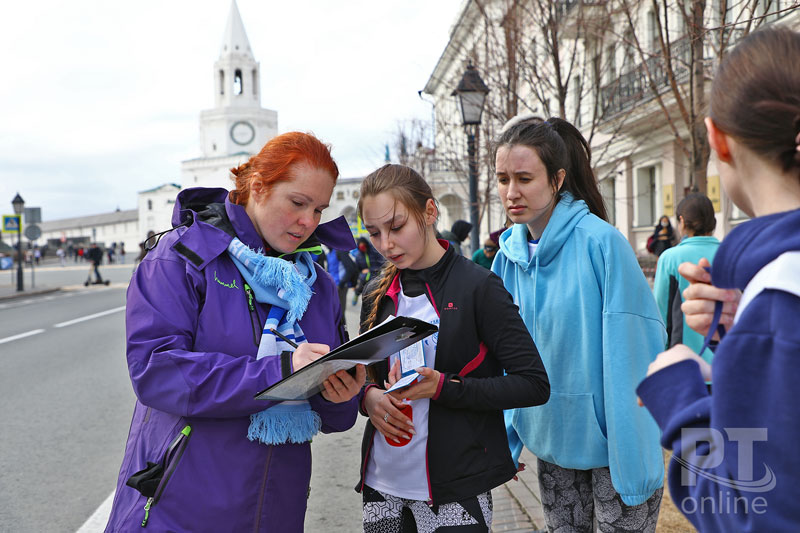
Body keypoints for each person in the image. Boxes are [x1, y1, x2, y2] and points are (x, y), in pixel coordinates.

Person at [104, 132, 367, 532]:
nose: (309, 221)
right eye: (298, 203)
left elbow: (331, 417)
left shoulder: (316, 283)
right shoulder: (180, 258)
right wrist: (280, 372)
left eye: (319, 209)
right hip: (180, 509)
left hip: (277, 509)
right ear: (258, 188)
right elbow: (156, 372)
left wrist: (342, 396)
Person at [637, 27, 800, 531]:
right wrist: (741, 338)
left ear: (717, 141)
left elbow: (746, 510)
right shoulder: (769, 303)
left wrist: (679, 396)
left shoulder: (779, 305)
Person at [491, 116, 666, 532]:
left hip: (616, 453)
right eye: (502, 179)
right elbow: (505, 360)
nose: (511, 192)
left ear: (557, 180)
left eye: (524, 178)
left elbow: (633, 354)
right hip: (551, 445)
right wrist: (505, 439)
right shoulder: (506, 259)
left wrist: (634, 461)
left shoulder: (601, 243)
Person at [355, 164, 550, 532]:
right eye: (374, 232)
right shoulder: (375, 293)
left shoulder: (479, 287)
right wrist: (368, 398)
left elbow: (534, 383)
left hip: (457, 488)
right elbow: (359, 376)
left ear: (430, 212)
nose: (385, 244)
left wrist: (445, 387)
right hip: (382, 487)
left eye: (396, 227)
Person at [652, 193, 720, 362]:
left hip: (684, 362)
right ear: (713, 222)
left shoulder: (670, 258)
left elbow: (661, 311)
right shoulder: (730, 253)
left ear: (681, 221)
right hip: (726, 363)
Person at [353, 236, 384, 303]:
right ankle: (356, 295)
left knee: (374, 294)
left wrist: (370, 270)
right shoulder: (358, 256)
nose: (362, 248)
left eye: (363, 246)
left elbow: (382, 263)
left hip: (375, 276)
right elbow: (357, 268)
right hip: (364, 277)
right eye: (360, 247)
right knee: (361, 290)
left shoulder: (375, 252)